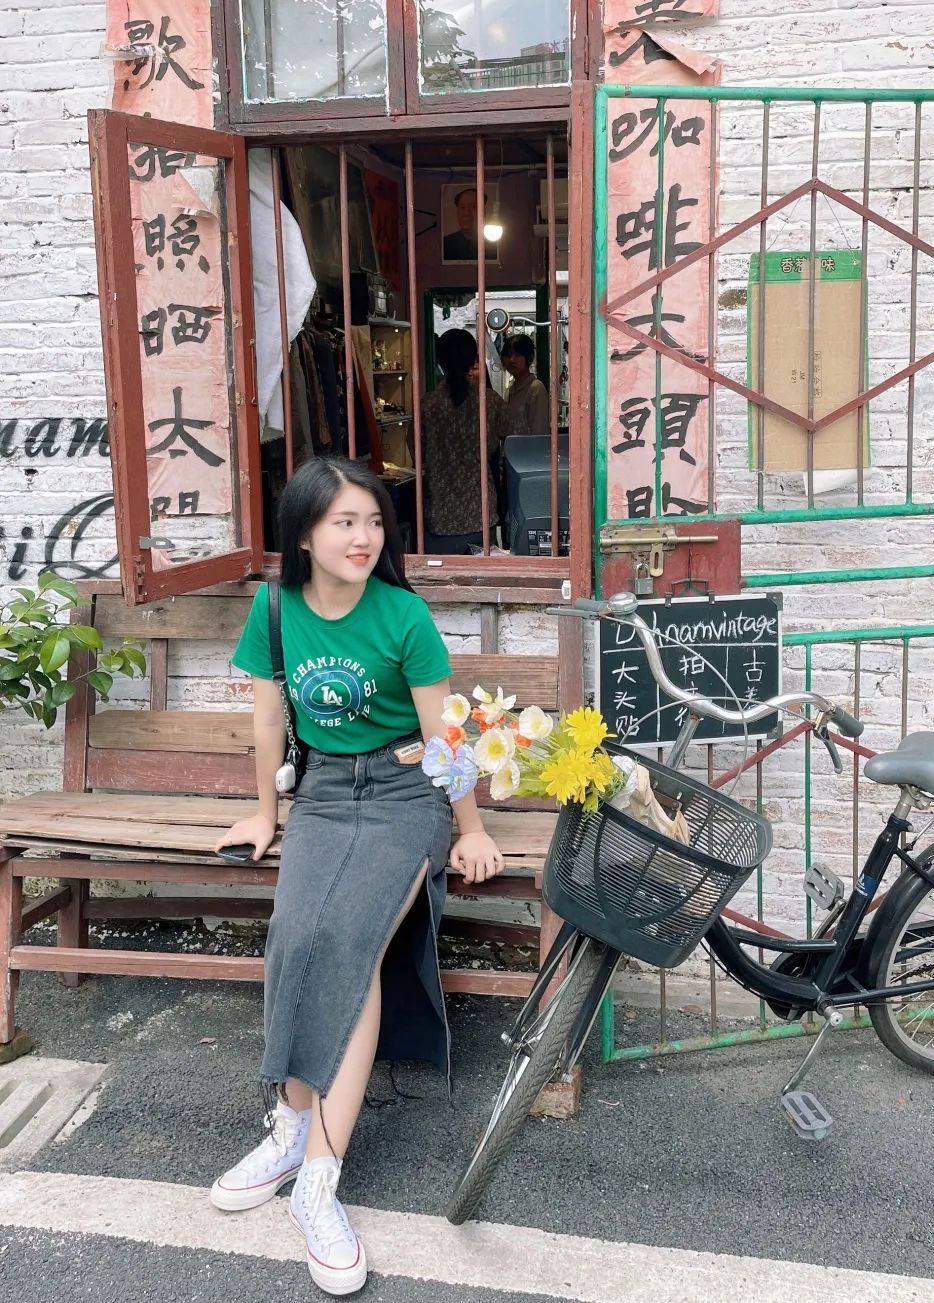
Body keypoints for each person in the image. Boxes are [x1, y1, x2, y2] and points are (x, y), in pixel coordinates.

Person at [211, 456, 504, 1297]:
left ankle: (318, 1178)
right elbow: (269, 717)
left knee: (350, 940)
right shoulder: (273, 610)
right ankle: (289, 1125)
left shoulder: (402, 614)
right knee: (295, 934)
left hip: (406, 791)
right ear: (304, 532)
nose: (364, 536)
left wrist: (471, 827)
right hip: (326, 793)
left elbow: (445, 737)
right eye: (345, 521)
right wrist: (264, 815)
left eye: (374, 521)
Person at [420, 329, 523, 554]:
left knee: (439, 575)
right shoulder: (489, 402)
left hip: (439, 515)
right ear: (473, 360)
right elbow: (519, 436)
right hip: (479, 513)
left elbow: (415, 450)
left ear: (439, 361)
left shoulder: (427, 405)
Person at [500, 334, 550, 436]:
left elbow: (539, 433)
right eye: (508, 355)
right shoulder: (511, 388)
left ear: (529, 358)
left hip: (529, 446)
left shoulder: (536, 388)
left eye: (518, 355)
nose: (511, 360)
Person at [442, 187, 497, 263]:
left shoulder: (495, 245)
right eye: (462, 207)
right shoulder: (446, 244)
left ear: (484, 212)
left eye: (474, 207)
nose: (467, 213)